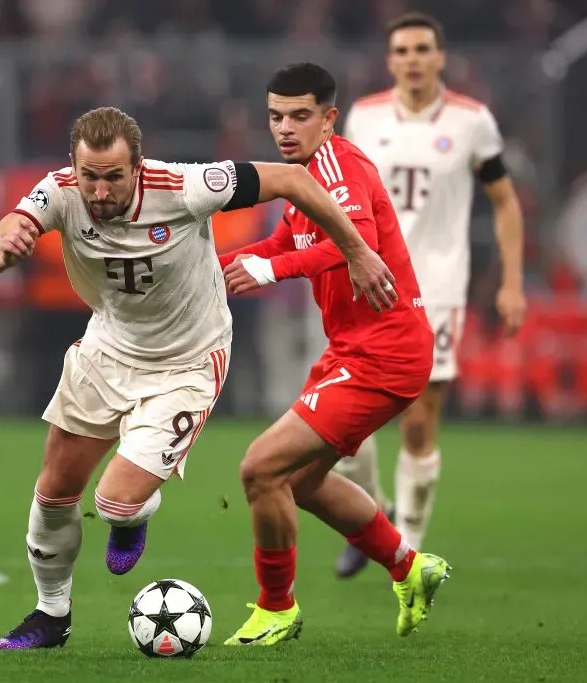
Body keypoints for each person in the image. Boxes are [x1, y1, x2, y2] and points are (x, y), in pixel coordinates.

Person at [0, 106, 398, 651]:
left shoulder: (187, 186)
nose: (99, 191)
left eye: (113, 177)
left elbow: (292, 178)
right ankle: (51, 616)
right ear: (74, 170)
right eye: (90, 177)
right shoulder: (58, 193)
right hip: (107, 349)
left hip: (187, 363)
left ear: (139, 168)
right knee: (54, 492)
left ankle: (131, 517)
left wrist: (356, 249)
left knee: (116, 503)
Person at [217, 63, 450, 646]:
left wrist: (272, 269)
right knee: (297, 480)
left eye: (300, 116)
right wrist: (223, 264)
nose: (286, 128)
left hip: (385, 352)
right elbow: (288, 239)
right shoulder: (303, 175)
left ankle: (277, 608)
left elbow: (356, 239)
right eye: (276, 116)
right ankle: (408, 566)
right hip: (355, 348)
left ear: (329, 117)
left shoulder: (337, 166)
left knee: (258, 467)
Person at [334, 12, 527, 577]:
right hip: (367, 281)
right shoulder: (364, 118)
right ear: (389, 60)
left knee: (419, 421)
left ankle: (406, 554)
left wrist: (512, 281)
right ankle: (374, 517)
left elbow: (505, 202)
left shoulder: (472, 122)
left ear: (440, 57)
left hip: (436, 288)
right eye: (402, 50)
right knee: (348, 425)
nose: (413, 59)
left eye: (423, 49)